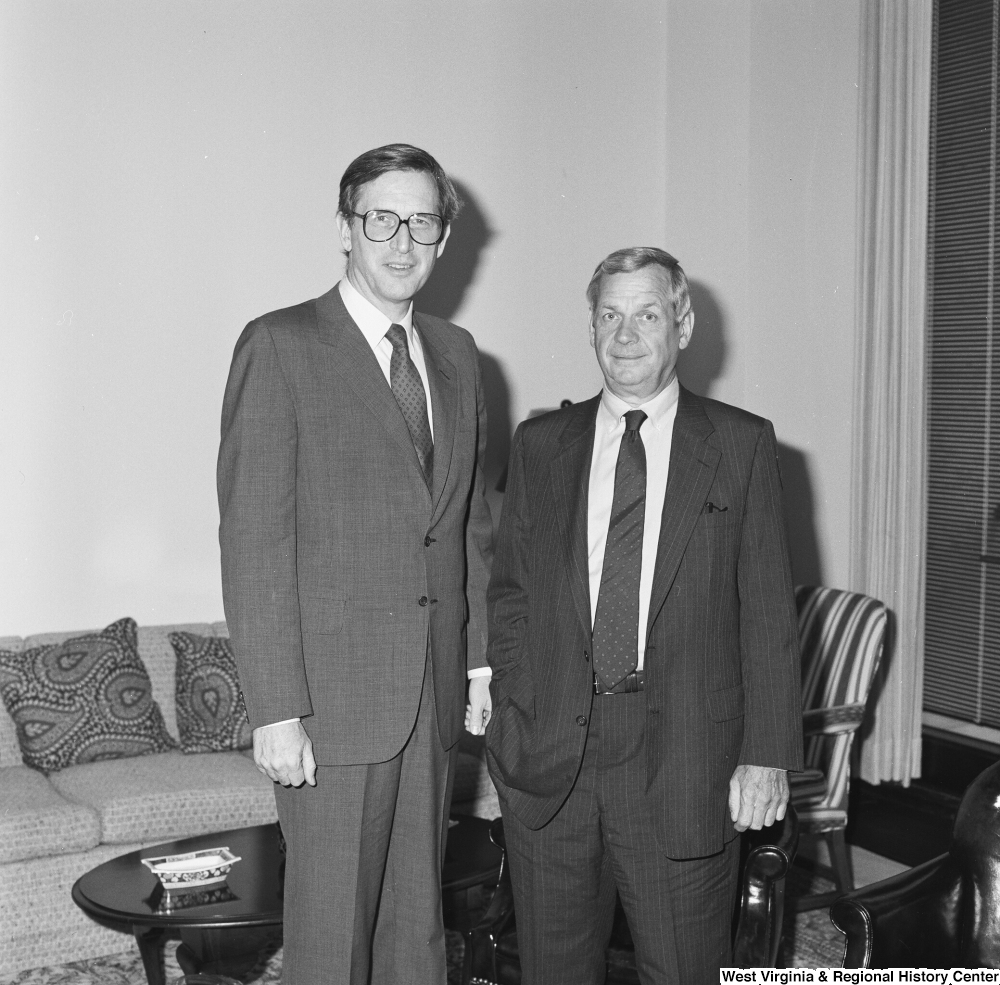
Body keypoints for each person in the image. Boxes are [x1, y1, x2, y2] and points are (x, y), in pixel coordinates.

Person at [483, 247, 803, 984]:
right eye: (610, 315)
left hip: (685, 759)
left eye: (648, 315)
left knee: (684, 968)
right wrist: (512, 714)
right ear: (592, 326)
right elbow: (513, 596)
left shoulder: (739, 444)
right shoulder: (541, 445)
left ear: (683, 325)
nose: (625, 335)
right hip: (552, 758)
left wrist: (766, 753)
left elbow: (766, 617)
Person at [217, 143, 493, 985]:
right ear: (345, 228)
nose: (401, 240)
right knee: (331, 935)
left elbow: (471, 521)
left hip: (431, 691)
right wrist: (276, 707)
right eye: (381, 218)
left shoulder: (458, 354)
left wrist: (477, 661)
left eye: (422, 220)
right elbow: (253, 537)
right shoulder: (281, 345)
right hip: (331, 706)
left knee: (419, 928)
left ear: (443, 238)